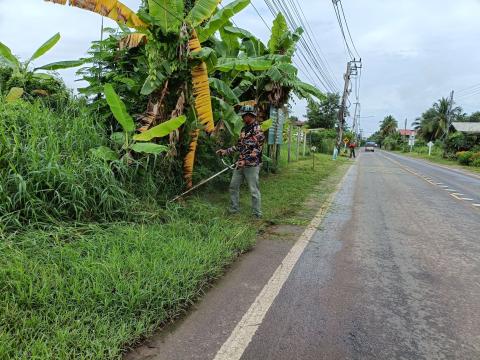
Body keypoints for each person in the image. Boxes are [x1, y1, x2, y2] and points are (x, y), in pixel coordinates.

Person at [216, 105, 265, 218]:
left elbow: (257, 150)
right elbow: (239, 145)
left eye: (244, 116)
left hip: (252, 165)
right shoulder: (244, 129)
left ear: (250, 115)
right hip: (240, 164)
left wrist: (246, 161)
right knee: (233, 186)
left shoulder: (258, 131)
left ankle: (256, 214)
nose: (242, 118)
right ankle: (234, 210)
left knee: (254, 190)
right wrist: (226, 151)